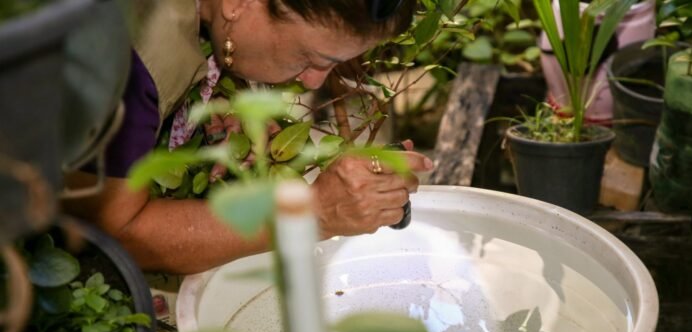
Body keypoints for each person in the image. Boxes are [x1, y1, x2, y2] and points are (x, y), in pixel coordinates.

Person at [65, 0, 432, 275]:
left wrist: (223, 92)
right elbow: (115, 233)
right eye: (312, 58)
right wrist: (313, 214)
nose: (313, 81)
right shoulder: (129, 64)